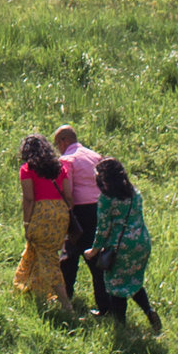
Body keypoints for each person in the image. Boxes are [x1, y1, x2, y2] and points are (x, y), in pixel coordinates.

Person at [90, 155, 162, 333]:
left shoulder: (106, 199)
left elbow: (103, 228)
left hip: (119, 246)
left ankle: (120, 327)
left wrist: (94, 250)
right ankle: (149, 311)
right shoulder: (134, 193)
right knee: (134, 280)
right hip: (141, 242)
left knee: (116, 285)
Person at [14, 134, 71, 309]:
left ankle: (66, 304)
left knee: (47, 258)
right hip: (61, 213)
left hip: (42, 213)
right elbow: (68, 195)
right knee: (42, 252)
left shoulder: (27, 169)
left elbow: (29, 199)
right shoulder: (61, 168)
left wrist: (26, 223)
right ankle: (31, 292)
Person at [54, 122, 102, 306]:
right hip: (99, 208)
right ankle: (104, 303)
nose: (58, 149)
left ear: (64, 141)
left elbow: (68, 192)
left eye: (57, 143)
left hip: (80, 211)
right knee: (95, 255)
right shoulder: (94, 155)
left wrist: (67, 216)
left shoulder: (67, 160)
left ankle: (65, 298)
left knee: (69, 255)